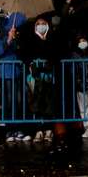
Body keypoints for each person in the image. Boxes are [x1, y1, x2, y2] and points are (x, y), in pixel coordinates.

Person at [10, 14, 60, 143]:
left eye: (43, 23)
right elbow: (22, 53)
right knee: (36, 101)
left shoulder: (53, 38)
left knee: (48, 102)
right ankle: (38, 129)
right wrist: (15, 38)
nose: (41, 26)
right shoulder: (29, 39)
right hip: (34, 75)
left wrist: (50, 62)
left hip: (48, 75)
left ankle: (49, 129)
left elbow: (57, 54)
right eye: (38, 24)